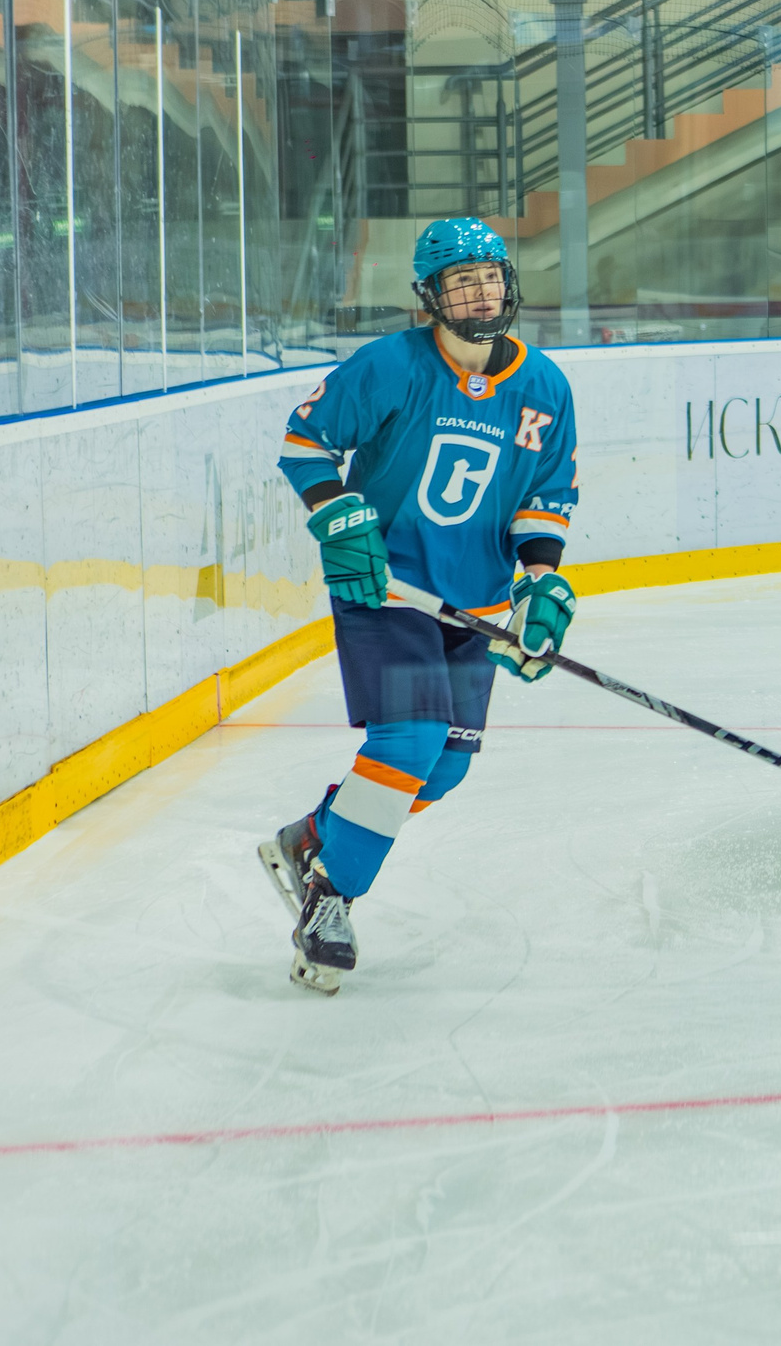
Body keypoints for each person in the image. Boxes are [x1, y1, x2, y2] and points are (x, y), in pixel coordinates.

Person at [258, 219, 581, 994]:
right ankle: (328, 896)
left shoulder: (544, 387)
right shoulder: (389, 367)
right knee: (409, 740)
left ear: (509, 281)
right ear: (430, 296)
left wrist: (539, 579)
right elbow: (305, 443)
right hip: (387, 591)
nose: (478, 293)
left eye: (488, 277)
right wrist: (337, 514)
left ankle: (313, 837)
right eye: (459, 281)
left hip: (473, 604)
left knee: (442, 770)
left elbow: (546, 495)